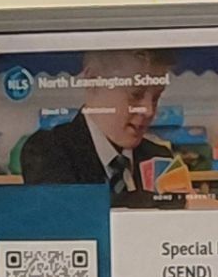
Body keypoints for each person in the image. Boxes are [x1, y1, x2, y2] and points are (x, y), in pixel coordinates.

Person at [16, 49, 176, 206]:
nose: (148, 110)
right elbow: (69, 211)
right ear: (92, 80)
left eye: (156, 97)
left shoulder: (159, 157)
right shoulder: (47, 150)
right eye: (135, 94)